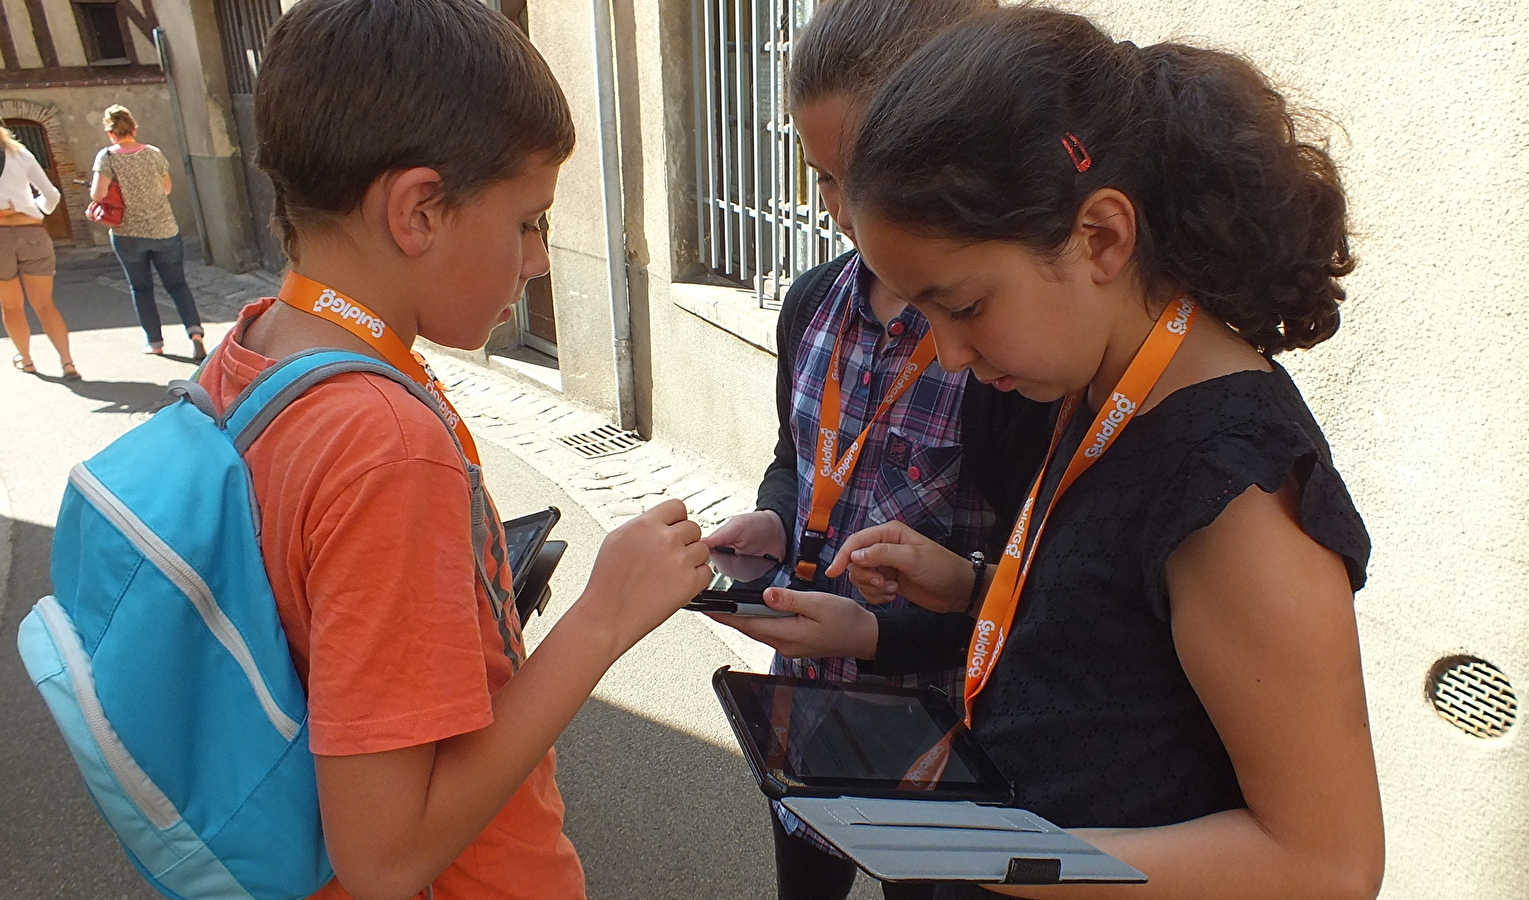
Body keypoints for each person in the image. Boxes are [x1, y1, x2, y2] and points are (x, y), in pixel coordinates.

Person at [806, 8, 1383, 898]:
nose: (949, 354)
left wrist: (977, 852)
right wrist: (971, 586)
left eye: (961, 306)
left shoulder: (1234, 489)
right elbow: (1119, 647)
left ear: (1101, 238)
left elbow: (1325, 865)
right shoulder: (1090, 383)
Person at [192, 2, 711, 898]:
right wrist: (606, 616)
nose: (539, 260)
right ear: (419, 211)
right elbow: (387, 855)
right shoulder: (385, 444)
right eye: (528, 222)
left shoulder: (256, 351)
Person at [701, 1, 1049, 898]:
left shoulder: (1004, 356)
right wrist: (775, 522)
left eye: (861, 174)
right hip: (803, 702)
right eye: (821, 178)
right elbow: (798, 456)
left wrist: (878, 633)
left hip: (937, 730)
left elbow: (1031, 592)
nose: (841, 211)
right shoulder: (813, 302)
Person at [91, 105, 207, 359]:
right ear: (134, 129)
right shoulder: (154, 154)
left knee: (141, 288)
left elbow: (98, 194)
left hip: (127, 232)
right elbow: (166, 188)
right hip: (164, 230)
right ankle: (195, 332)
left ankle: (155, 342)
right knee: (177, 284)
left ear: (110, 133)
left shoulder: (107, 157)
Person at [0, 125, 75, 378]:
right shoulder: (20, 154)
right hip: (32, 233)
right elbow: (52, 195)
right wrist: (35, 209)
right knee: (45, 304)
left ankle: (27, 359)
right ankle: (67, 362)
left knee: (11, 307)